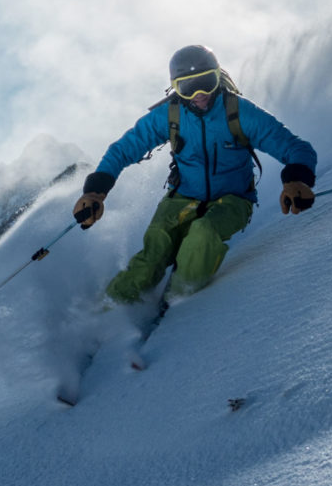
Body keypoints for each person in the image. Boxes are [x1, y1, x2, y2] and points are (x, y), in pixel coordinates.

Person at [74, 44, 317, 305]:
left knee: (203, 234)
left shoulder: (238, 112)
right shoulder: (170, 115)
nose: (200, 94)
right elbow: (123, 150)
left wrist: (296, 179)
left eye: (207, 83)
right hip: (182, 196)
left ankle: (179, 304)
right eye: (188, 88)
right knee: (154, 250)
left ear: (218, 77)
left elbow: (296, 147)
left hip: (233, 199)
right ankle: (107, 313)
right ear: (175, 88)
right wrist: (95, 191)